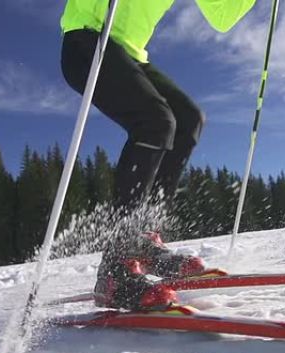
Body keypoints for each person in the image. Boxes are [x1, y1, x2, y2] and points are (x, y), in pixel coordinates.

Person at [59, 0, 257, 310]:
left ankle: (144, 239)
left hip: (131, 54)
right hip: (89, 37)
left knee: (188, 120)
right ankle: (115, 270)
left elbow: (222, 16)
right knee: (155, 121)